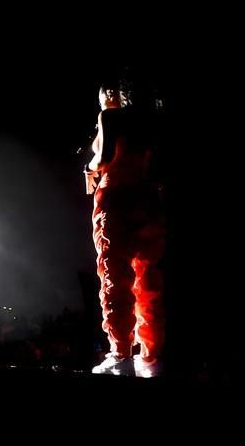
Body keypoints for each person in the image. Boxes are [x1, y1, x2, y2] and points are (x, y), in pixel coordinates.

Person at [85, 83, 166, 377]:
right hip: (150, 197)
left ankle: (120, 354)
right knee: (149, 278)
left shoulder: (111, 116)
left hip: (116, 195)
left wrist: (90, 167)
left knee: (114, 275)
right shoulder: (156, 118)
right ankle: (151, 358)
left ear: (111, 92)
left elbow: (104, 158)